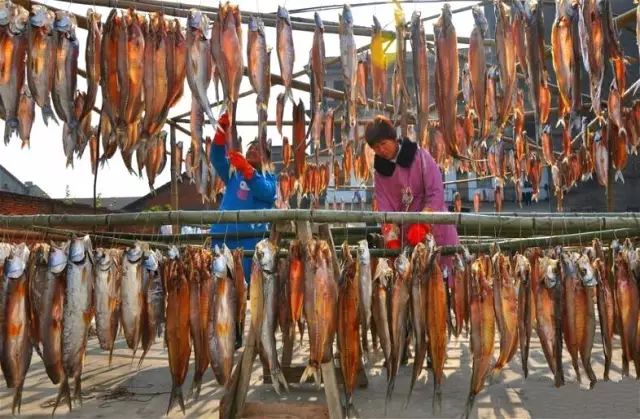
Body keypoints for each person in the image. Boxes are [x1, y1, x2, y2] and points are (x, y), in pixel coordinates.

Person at [364, 115, 459, 257]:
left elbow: (435, 193)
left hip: (437, 233)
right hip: (406, 242)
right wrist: (391, 239)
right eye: (376, 148)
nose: (381, 150)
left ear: (393, 138)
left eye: (383, 144)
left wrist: (423, 224)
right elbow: (385, 211)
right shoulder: (380, 175)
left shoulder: (420, 156)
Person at [209, 112, 277, 284]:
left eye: (258, 149)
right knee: (221, 290)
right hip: (223, 239)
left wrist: (248, 171)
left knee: (250, 291)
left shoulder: (269, 178)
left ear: (267, 160)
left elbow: (265, 191)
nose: (252, 150)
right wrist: (220, 132)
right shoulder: (233, 174)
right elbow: (216, 159)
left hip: (251, 244)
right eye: (250, 148)